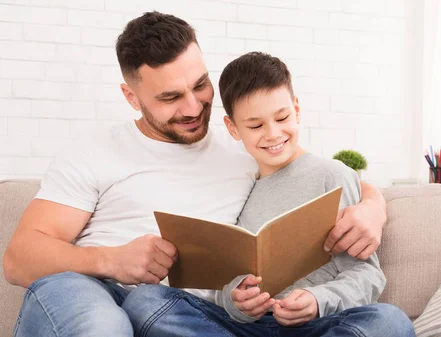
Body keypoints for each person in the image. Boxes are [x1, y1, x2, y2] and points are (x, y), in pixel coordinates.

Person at [3, 11, 389, 337]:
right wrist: (108, 260)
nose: (192, 107)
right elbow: (18, 260)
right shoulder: (93, 150)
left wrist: (373, 206)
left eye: (200, 85)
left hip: (186, 315)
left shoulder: (242, 146)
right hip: (90, 289)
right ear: (131, 97)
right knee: (104, 325)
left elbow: (311, 172)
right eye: (170, 97)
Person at [120, 51, 415, 337]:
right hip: (246, 327)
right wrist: (236, 302)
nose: (273, 134)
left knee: (390, 322)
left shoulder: (333, 176)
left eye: (282, 117)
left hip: (320, 324)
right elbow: (222, 285)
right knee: (144, 302)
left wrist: (317, 301)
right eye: (256, 125)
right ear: (233, 128)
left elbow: (366, 275)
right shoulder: (237, 185)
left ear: (296, 109)